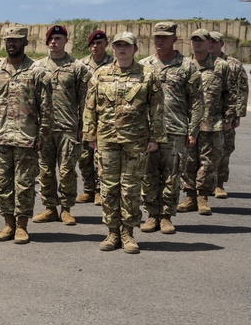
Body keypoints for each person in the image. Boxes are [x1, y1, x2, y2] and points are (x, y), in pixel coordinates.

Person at [83, 32, 164, 254]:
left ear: (135, 49)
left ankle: (128, 232)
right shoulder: (101, 74)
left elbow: (157, 108)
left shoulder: (147, 75)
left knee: (130, 188)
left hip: (135, 141)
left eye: (126, 46)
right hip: (106, 139)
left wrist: (156, 137)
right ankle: (112, 232)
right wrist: (90, 136)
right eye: (118, 45)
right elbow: (90, 106)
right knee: (108, 188)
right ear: (112, 48)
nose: (122, 49)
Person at [0, 26, 49, 245]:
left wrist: (42, 136)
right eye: (8, 40)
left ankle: (21, 226)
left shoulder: (36, 72)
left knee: (25, 184)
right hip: (0, 137)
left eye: (17, 40)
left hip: (26, 138)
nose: (12, 44)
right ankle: (8, 223)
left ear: (25, 43)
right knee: (2, 184)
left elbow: (46, 109)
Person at [138, 22, 203, 235]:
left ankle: (166, 216)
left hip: (176, 130)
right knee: (148, 175)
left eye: (165, 36)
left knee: (173, 175)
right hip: (148, 132)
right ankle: (152, 215)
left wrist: (192, 131)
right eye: (157, 36)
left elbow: (196, 101)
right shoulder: (143, 65)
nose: (160, 40)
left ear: (175, 39)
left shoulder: (187, 66)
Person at [31, 25, 91, 226]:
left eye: (58, 38)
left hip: (68, 127)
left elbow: (85, 100)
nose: (54, 42)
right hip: (43, 129)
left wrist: (84, 126)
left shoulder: (78, 67)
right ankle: (49, 208)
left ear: (66, 41)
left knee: (66, 171)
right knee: (45, 171)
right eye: (51, 38)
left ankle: (66, 208)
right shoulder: (37, 67)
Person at [179, 29, 236, 215]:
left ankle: (202, 197)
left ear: (208, 43)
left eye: (201, 41)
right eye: (194, 40)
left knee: (208, 162)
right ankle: (189, 197)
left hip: (212, 123)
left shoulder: (221, 66)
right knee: (188, 161)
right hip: (187, 123)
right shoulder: (184, 65)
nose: (197, 43)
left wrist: (228, 118)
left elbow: (230, 93)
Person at [208, 31, 249, 198]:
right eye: (207, 41)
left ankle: (219, 183)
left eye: (214, 42)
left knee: (224, 149)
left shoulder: (233, 64)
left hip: (224, 114)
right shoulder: (196, 62)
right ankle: (199, 185)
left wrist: (236, 114)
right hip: (202, 115)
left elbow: (241, 90)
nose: (210, 44)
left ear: (221, 44)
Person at [76, 30, 113, 205]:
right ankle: (88, 189)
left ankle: (99, 190)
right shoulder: (81, 65)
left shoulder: (114, 64)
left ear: (106, 44)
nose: (96, 46)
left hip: (107, 118)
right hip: (85, 117)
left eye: (99, 43)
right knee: (84, 157)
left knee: (102, 157)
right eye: (92, 43)